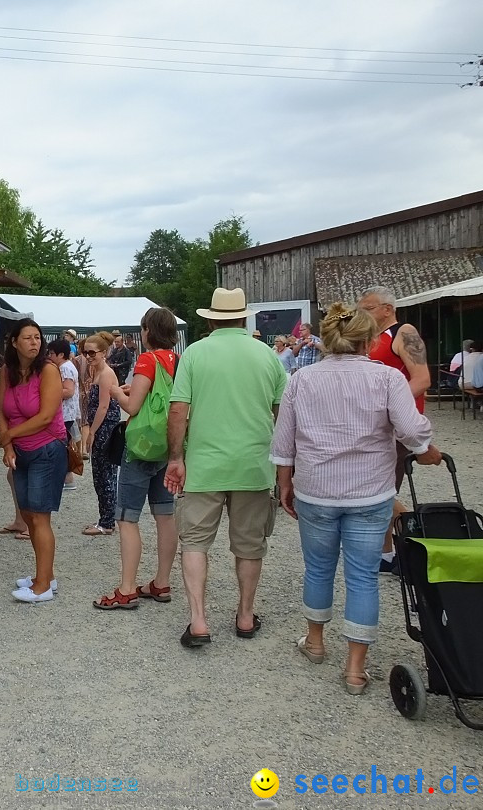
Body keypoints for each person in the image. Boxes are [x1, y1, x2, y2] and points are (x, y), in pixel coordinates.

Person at [272, 303, 441, 694]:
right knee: (363, 576)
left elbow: (284, 440)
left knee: (318, 568)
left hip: (316, 489)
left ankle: (314, 642)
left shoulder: (301, 379)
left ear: (327, 340)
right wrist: (427, 448)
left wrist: (285, 483)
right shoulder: (386, 378)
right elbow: (412, 430)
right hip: (370, 491)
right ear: (367, 340)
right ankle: (354, 668)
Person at [164, 288, 287, 648]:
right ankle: (245, 616)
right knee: (250, 545)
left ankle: (199, 621)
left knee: (195, 542)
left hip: (204, 465)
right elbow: (284, 413)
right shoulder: (267, 356)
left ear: (211, 318)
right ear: (244, 317)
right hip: (253, 464)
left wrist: (176, 458)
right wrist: (284, 463)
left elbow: (178, 411)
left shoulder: (194, 354)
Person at [95, 308, 179, 610]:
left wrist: (117, 391)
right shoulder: (177, 360)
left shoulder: (147, 359)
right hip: (168, 445)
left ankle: (127, 588)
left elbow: (132, 406)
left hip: (142, 445)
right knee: (165, 515)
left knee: (127, 518)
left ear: (147, 330)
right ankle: (162, 582)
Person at [357, 285, 431, 575]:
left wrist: (390, 408)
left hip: (396, 426)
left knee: (383, 493)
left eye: (368, 308)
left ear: (387, 309)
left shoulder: (403, 333)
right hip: (376, 426)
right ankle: (387, 554)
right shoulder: (369, 338)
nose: (363, 313)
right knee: (381, 489)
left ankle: (419, 543)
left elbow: (422, 379)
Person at [0, 319, 67, 602]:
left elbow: (46, 415)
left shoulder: (48, 370)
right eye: (27, 338)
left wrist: (9, 435)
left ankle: (43, 587)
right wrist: (8, 445)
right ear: (14, 342)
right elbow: (1, 410)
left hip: (46, 450)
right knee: (27, 514)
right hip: (21, 452)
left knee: (39, 516)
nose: (34, 343)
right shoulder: (7, 371)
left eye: (37, 337)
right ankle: (44, 574)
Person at [82, 331, 122, 536]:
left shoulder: (105, 374)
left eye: (92, 353)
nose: (88, 356)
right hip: (103, 426)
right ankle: (106, 518)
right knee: (102, 475)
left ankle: (106, 522)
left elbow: (104, 407)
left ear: (103, 353)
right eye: (85, 352)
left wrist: (92, 432)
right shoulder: (98, 372)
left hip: (105, 427)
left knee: (104, 475)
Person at [47, 338, 80, 491]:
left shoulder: (65, 368)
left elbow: (68, 391)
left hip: (65, 413)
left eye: (52, 353)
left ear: (61, 354)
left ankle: (67, 478)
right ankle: (66, 478)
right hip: (66, 412)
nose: (49, 356)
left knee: (61, 445)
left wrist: (48, 392)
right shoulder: (67, 366)